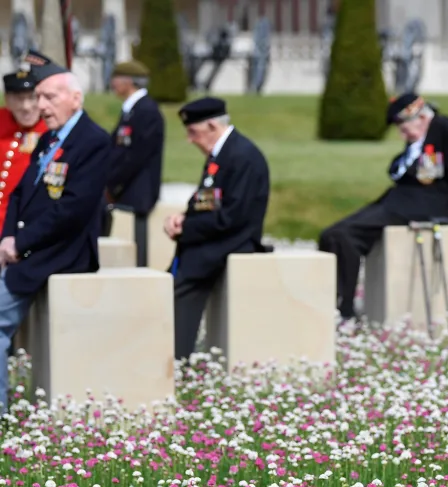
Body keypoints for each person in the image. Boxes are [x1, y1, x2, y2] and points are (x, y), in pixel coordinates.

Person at [0, 52, 110, 413]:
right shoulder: (51, 139)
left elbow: (72, 210)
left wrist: (22, 241)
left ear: (75, 98)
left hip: (57, 253)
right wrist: (7, 237)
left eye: (49, 97)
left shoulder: (91, 140)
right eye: (38, 97)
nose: (40, 106)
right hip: (29, 250)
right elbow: (19, 193)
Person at [317, 93, 448, 319]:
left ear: (420, 116)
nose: (401, 132)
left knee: (344, 235)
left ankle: (344, 309)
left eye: (402, 124)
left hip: (424, 205)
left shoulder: (443, 128)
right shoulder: (416, 141)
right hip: (399, 202)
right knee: (331, 235)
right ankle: (334, 302)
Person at [163, 97, 270, 360]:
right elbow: (207, 200)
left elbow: (233, 217)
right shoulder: (222, 153)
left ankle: (175, 360)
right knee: (166, 282)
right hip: (213, 238)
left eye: (193, 132)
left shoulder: (242, 156)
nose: (190, 139)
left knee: (181, 287)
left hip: (231, 242)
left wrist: (187, 228)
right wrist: (183, 217)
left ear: (211, 125)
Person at [104, 60, 165, 238]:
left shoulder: (146, 111)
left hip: (137, 192)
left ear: (127, 81)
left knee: (136, 245)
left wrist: (112, 184)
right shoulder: (132, 110)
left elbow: (135, 155)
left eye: (115, 79)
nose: (113, 84)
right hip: (126, 189)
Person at [0, 67, 48, 232]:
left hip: (26, 227)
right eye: (19, 99)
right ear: (7, 100)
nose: (26, 106)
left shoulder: (51, 128)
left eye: (32, 98)